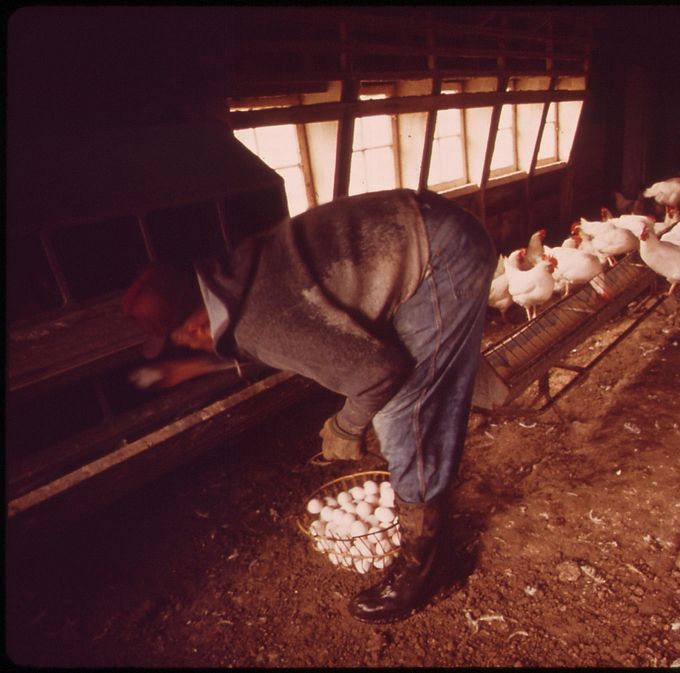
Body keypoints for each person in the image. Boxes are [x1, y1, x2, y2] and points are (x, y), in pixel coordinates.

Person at [122, 188, 496, 623]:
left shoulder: (264, 322)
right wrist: (191, 369)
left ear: (198, 324)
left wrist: (347, 425)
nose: (185, 345)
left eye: (181, 339)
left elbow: (379, 371)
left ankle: (426, 570)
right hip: (416, 225)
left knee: (404, 412)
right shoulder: (233, 274)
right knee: (403, 396)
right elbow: (267, 338)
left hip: (442, 253)